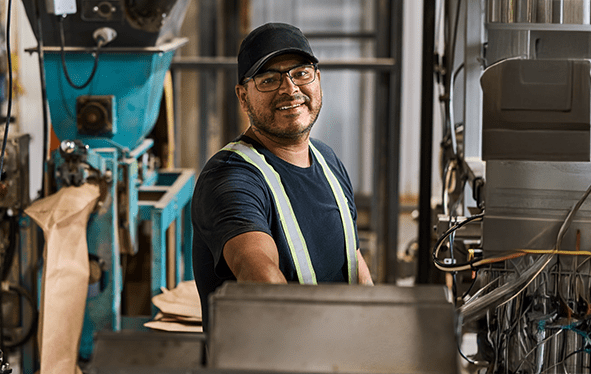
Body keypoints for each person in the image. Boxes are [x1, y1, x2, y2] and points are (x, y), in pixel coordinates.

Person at [191, 22, 373, 331]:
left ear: (318, 79)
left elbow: (356, 270)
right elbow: (261, 279)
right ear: (243, 96)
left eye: (301, 73)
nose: (290, 89)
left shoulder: (328, 162)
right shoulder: (230, 179)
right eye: (269, 80)